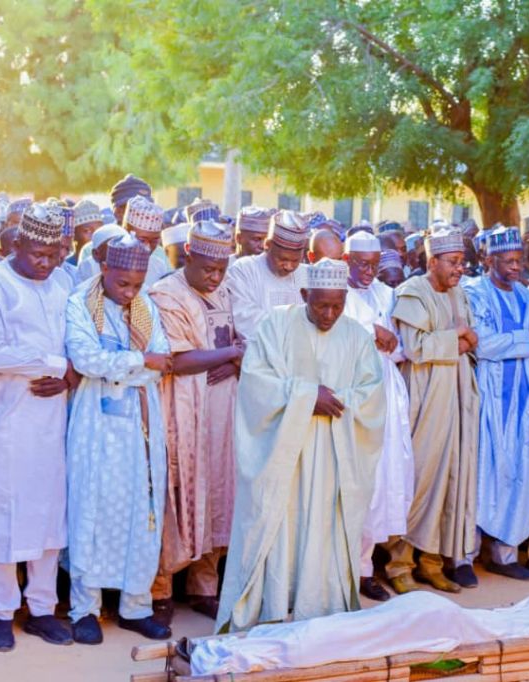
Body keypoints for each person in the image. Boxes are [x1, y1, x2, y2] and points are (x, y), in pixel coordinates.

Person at [217, 258, 385, 630]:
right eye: (320, 305)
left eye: (337, 306)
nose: (329, 314)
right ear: (304, 294)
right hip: (282, 455)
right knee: (278, 525)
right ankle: (271, 608)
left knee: (323, 529)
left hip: (332, 455)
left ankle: (319, 611)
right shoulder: (275, 326)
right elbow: (256, 384)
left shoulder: (357, 336)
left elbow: (373, 395)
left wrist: (335, 400)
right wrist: (307, 396)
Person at [0, 203, 77, 651]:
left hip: (54, 420)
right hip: (8, 420)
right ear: (15, 244)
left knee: (49, 514)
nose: (47, 263)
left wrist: (71, 371)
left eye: (55, 254)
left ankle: (40, 608)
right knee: (1, 512)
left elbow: (74, 340)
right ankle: (0, 612)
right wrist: (55, 364)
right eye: (38, 253)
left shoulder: (64, 281)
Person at [65, 235, 173, 644]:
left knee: (141, 511)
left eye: (137, 284)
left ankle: (135, 606)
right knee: (90, 509)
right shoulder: (80, 302)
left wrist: (128, 365)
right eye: (123, 283)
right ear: (105, 269)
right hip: (95, 424)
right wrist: (138, 360)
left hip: (140, 423)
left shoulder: (146, 307)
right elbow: (85, 359)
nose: (130, 293)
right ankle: (84, 609)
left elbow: (162, 362)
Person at [149, 222, 242, 625]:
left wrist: (229, 354)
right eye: (207, 267)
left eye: (222, 268)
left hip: (225, 409)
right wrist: (229, 353)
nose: (215, 276)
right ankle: (160, 591)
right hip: (181, 409)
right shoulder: (166, 294)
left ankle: (204, 586)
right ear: (188, 253)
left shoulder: (226, 289)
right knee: (176, 493)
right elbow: (180, 360)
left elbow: (246, 341)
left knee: (219, 492)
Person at [465, 228, 529, 582]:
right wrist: (528, 338)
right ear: (489, 261)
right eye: (507, 261)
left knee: (522, 472)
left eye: (519, 260)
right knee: (483, 473)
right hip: (490, 398)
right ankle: (465, 557)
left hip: (527, 398)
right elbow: (483, 344)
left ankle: (505, 556)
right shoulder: (474, 293)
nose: (515, 268)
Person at [389, 229, 480, 593]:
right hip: (425, 396)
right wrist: (456, 336)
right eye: (453, 263)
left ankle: (432, 562)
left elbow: (473, 339)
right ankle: (399, 566)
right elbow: (414, 347)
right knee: (420, 478)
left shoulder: (459, 292)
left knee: (451, 477)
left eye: (462, 262)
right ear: (432, 262)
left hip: (456, 393)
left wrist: (461, 338)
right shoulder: (412, 292)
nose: (460, 269)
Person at [342, 232, 415, 601]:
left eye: (373, 264)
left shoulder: (387, 295)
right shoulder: (335, 294)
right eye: (361, 264)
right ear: (345, 260)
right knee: (352, 484)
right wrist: (371, 332)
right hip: (352, 398)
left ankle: (365, 569)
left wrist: (385, 339)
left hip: (385, 393)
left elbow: (401, 347)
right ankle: (341, 573)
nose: (368, 271)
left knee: (380, 483)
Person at [225, 209, 309, 340]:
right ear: (268, 245)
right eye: (283, 259)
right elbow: (247, 322)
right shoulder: (243, 270)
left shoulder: (307, 275)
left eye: (295, 261)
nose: (289, 266)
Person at [122, 196, 172, 287]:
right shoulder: (102, 265)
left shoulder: (159, 267)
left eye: (154, 241)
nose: (148, 247)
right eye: (142, 240)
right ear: (126, 232)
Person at [70, 200, 103, 266]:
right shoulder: (66, 268)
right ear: (74, 235)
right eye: (87, 231)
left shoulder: (105, 265)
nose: (95, 236)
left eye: (99, 230)